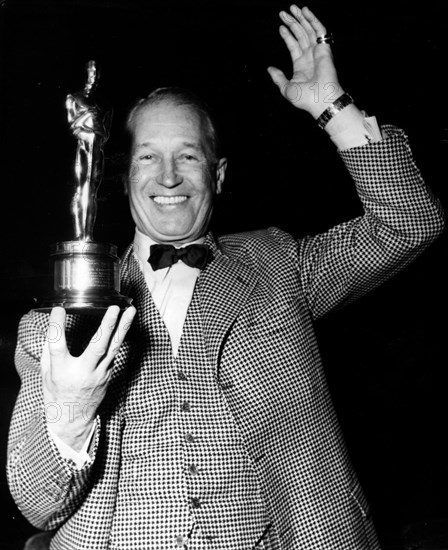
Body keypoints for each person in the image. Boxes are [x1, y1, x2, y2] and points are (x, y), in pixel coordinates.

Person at [7, 5, 444, 550]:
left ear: (218, 175)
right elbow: (38, 501)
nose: (169, 177)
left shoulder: (279, 261)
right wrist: (71, 407)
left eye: (188, 157)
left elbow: (411, 223)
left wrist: (332, 108)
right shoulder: (53, 322)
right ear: (124, 177)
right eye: (149, 158)